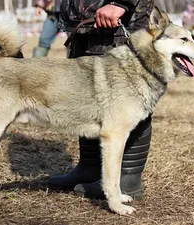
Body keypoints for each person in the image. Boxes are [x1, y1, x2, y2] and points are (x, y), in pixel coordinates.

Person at [47, 0, 156, 200]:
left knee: (128, 103)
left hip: (120, 20)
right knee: (88, 98)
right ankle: (90, 167)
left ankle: (127, 177)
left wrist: (121, 3)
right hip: (85, 23)